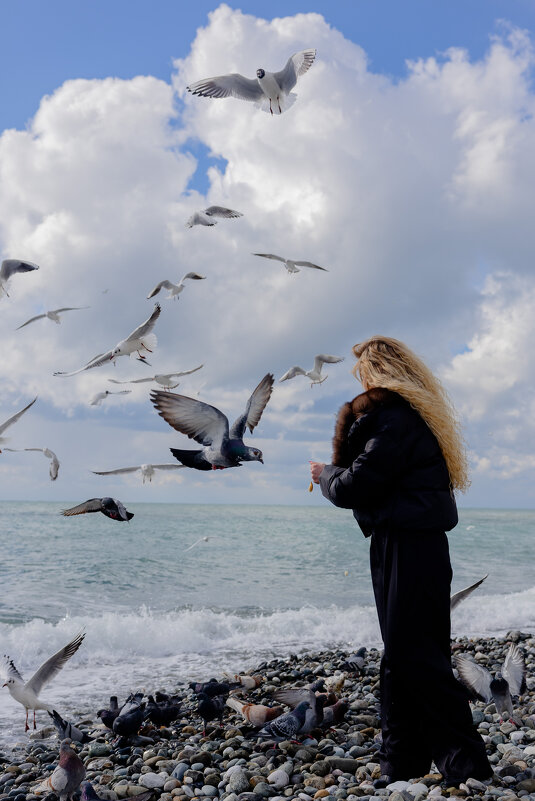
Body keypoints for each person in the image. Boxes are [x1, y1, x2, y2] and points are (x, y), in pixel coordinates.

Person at [309, 336, 491, 787]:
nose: (362, 385)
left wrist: (325, 474)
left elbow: (354, 486)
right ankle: (403, 761)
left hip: (406, 547)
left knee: (417, 658)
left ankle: (467, 764)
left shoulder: (392, 421)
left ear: (377, 374)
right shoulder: (415, 418)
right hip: (419, 545)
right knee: (405, 655)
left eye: (363, 376)